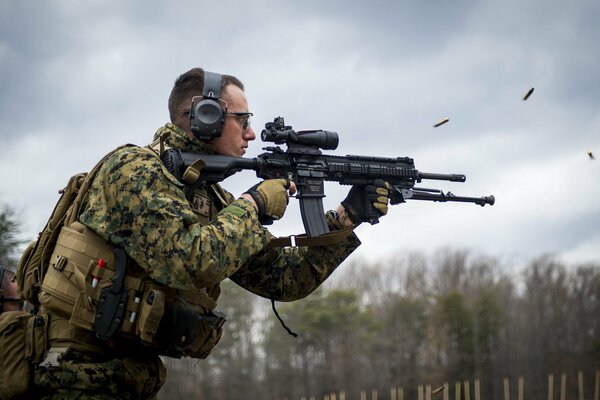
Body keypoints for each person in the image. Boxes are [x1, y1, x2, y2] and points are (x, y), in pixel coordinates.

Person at [31, 67, 392, 399]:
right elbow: (188, 261)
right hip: (72, 373)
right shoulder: (133, 169)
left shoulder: (209, 196)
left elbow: (283, 279)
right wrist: (254, 205)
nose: (251, 133)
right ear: (206, 116)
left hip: (124, 379)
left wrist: (347, 218)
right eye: (243, 120)